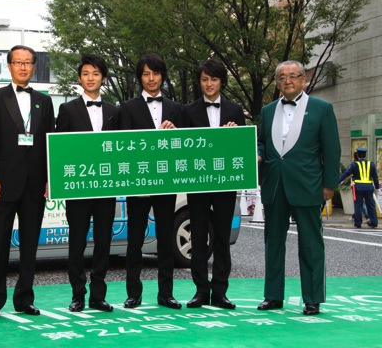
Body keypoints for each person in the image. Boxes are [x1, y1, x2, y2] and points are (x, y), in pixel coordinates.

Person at [257, 60, 341, 316]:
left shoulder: (321, 108)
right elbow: (262, 143)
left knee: (311, 244)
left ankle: (313, 298)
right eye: (282, 77)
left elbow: (331, 148)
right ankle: (273, 296)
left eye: (293, 76)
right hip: (274, 185)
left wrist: (329, 184)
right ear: (277, 82)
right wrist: (257, 154)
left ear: (304, 80)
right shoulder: (267, 111)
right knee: (273, 243)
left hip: (308, 185)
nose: (288, 81)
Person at [0, 45, 55, 320]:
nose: (23, 67)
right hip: (3, 185)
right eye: (18, 62)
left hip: (35, 185)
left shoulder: (44, 101)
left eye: (28, 63)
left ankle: (24, 299)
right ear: (9, 66)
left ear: (34, 67)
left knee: (29, 245)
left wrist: (50, 179)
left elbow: (49, 142)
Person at [118, 53, 185, 310]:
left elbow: (185, 146)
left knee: (166, 237)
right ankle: (133, 293)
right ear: (140, 78)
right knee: (135, 238)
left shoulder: (175, 108)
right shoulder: (127, 108)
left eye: (155, 73)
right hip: (138, 182)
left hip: (166, 181)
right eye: (146, 74)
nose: (151, 78)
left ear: (162, 76)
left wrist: (176, 135)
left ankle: (166, 293)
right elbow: (122, 145)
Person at [56, 54, 119, 312]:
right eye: (85, 73)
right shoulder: (67, 110)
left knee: (104, 242)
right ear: (79, 78)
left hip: (106, 188)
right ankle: (78, 295)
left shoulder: (115, 111)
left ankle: (98, 295)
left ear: (103, 78)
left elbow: (123, 148)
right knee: (77, 242)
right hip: (78, 188)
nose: (90, 78)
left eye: (95, 73)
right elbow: (59, 149)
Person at [183, 58, 245, 309]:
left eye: (214, 79)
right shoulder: (188, 111)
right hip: (197, 183)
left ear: (222, 82)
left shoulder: (235, 110)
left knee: (221, 237)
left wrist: (233, 135)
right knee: (198, 237)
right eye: (205, 79)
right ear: (199, 82)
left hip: (224, 184)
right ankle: (200, 290)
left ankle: (220, 291)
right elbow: (182, 146)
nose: (209, 84)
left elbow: (241, 148)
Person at [339, 147, 379, 228]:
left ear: (357, 155)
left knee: (358, 205)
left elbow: (346, 174)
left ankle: (358, 222)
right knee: (371, 205)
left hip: (358, 187)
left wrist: (337, 181)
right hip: (369, 187)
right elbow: (375, 177)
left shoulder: (354, 165)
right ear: (365, 155)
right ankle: (374, 222)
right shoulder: (371, 164)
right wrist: (377, 187)